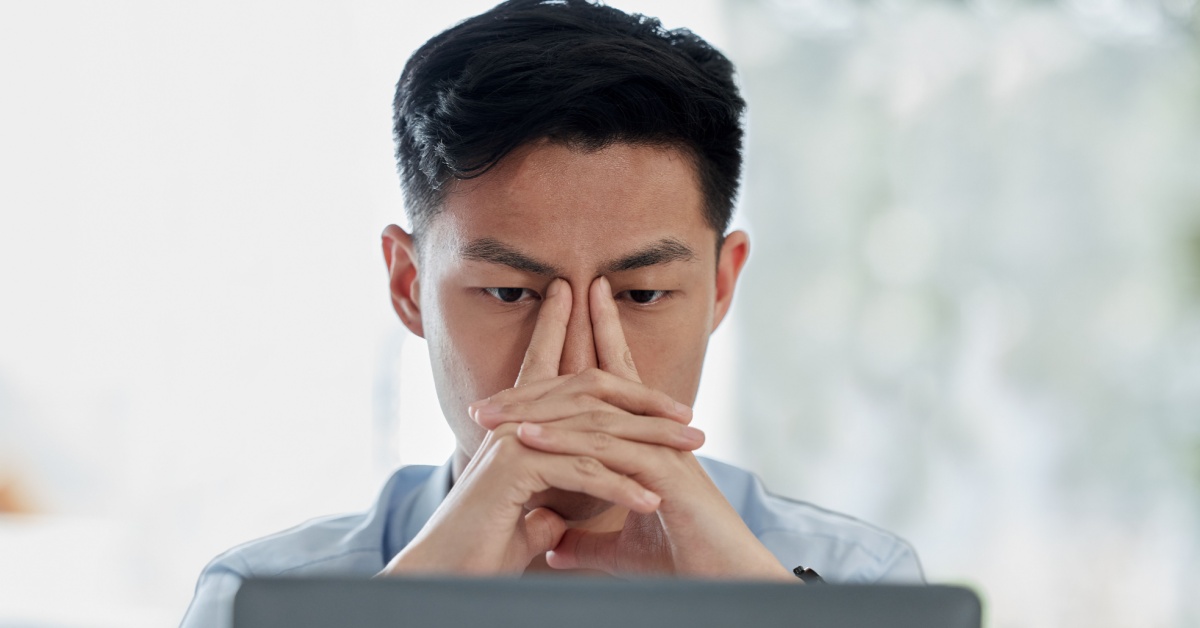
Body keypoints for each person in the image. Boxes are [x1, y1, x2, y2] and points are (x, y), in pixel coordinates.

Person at [181, 0, 922, 624]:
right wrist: (414, 606)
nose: (577, 363)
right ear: (409, 285)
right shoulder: (261, 599)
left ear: (722, 288)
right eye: (510, 293)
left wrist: (754, 610)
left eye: (640, 295)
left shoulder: (855, 583)